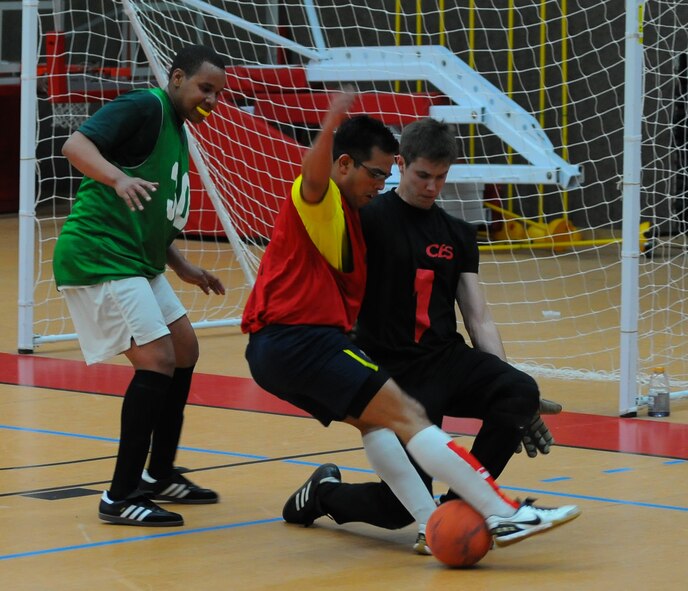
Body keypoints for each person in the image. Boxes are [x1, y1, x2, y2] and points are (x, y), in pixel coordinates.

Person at [242, 95, 581, 550]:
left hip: (436, 357)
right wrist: (329, 122)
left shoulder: (452, 232)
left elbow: (478, 316)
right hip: (366, 356)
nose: (431, 187)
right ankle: (493, 512)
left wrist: (516, 391)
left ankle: (456, 513)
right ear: (402, 165)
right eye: (419, 175)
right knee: (397, 476)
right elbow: (315, 180)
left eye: (441, 178)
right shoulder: (360, 215)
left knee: (515, 390)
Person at [53, 45, 227, 527]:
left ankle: (161, 473)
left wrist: (182, 265)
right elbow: (75, 146)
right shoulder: (143, 106)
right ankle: (120, 495)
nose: (211, 99)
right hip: (100, 255)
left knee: (185, 350)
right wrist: (117, 178)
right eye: (204, 88)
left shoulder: (177, 130)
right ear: (176, 78)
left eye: (218, 93)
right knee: (158, 360)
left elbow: (150, 216)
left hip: (138, 259)